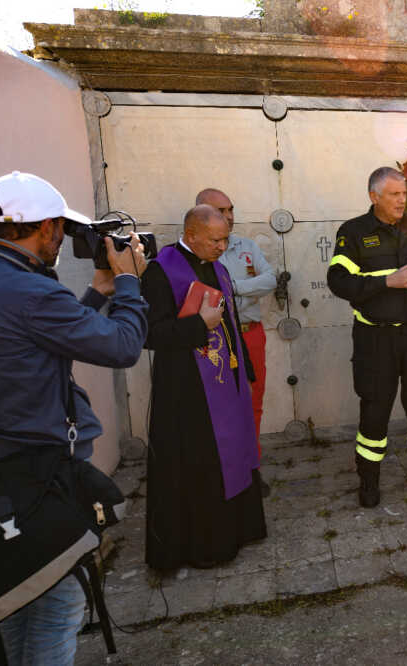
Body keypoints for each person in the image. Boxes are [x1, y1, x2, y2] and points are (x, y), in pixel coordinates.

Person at [0, 171, 148, 664]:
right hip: (30, 473)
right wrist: (129, 282)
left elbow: (39, 340)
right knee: (57, 607)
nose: (64, 241)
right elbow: (122, 347)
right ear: (46, 227)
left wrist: (97, 293)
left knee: (15, 600)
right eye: (63, 229)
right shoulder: (31, 291)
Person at [141, 204, 266, 571]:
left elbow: (230, 323)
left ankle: (238, 531)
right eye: (215, 240)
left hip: (227, 383)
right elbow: (149, 334)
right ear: (191, 235)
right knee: (201, 465)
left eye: (225, 239)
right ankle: (206, 546)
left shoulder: (218, 267)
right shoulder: (160, 272)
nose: (222, 247)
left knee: (234, 454)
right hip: (186, 392)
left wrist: (245, 370)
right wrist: (199, 325)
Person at [327, 166, 407, 508]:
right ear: (374, 196)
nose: (402, 200)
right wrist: (387, 281)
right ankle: (369, 480)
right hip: (375, 340)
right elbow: (338, 281)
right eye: (394, 194)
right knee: (375, 411)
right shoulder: (354, 232)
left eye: (404, 193)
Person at [198, 188, 276, 497]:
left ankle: (251, 469)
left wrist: (233, 287)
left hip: (250, 333)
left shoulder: (247, 246)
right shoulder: (193, 253)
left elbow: (269, 279)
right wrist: (243, 289)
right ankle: (222, 472)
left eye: (230, 209)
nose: (229, 216)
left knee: (252, 404)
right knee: (218, 408)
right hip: (214, 339)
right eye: (221, 211)